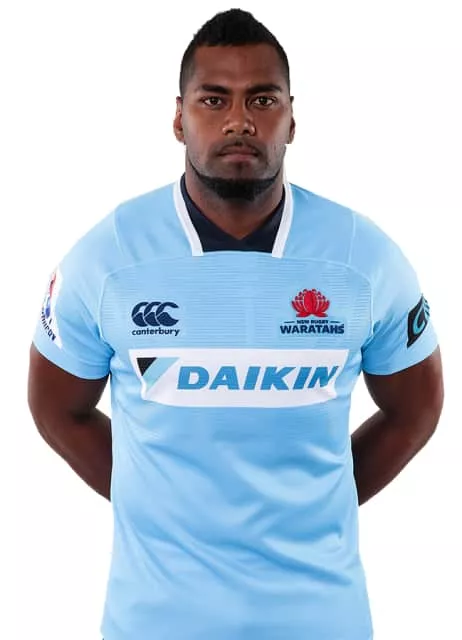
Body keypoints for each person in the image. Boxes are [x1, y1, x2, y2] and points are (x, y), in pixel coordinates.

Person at [27, 8, 444, 640]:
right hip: (155, 624)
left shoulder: (364, 257)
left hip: (320, 621)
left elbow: (417, 408)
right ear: (179, 117)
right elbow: (56, 407)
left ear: (292, 119)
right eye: (214, 99)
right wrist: (158, 508)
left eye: (263, 99)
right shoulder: (107, 257)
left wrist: (319, 505)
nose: (239, 120)